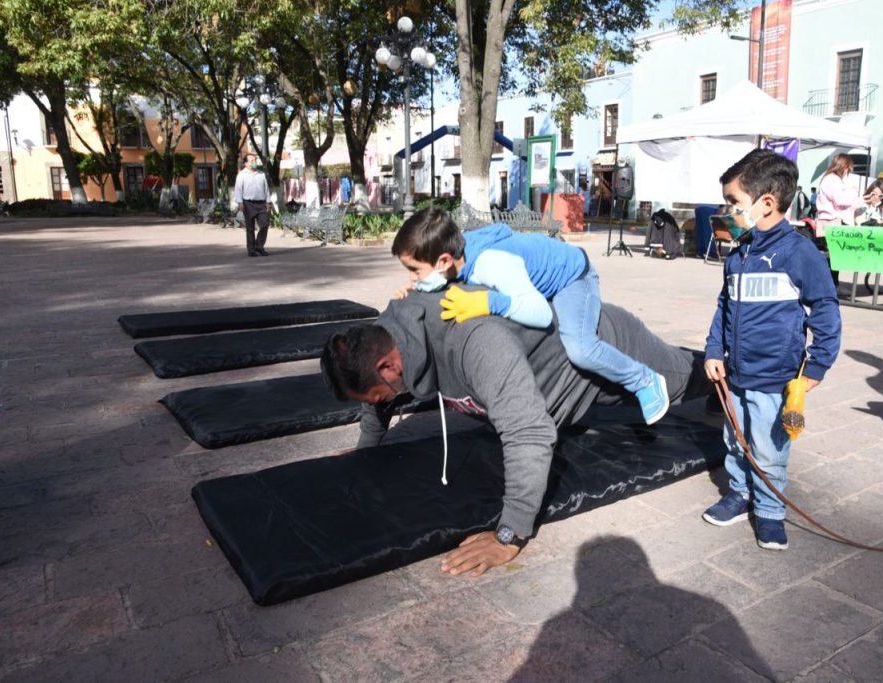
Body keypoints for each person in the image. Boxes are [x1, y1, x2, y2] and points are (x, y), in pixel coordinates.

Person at [320, 291, 713, 577]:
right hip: (554, 380)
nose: (380, 402)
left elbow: (530, 433)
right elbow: (375, 401)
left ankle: (740, 368)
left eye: (380, 391)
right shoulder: (388, 338)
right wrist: (364, 451)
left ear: (389, 366)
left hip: (611, 346)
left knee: (692, 378)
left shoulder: (474, 343)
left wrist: (508, 535)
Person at [390, 208, 670, 426]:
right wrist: (413, 289)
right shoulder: (454, 254)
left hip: (573, 276)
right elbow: (437, 283)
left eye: (415, 271)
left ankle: (644, 380)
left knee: (581, 348)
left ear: (444, 261)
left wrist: (489, 301)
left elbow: (540, 313)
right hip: (537, 274)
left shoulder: (492, 263)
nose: (413, 277)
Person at [702, 149, 842, 551]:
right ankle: (739, 493)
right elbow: (724, 305)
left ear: (767, 203)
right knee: (735, 440)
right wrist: (714, 350)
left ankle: (768, 510)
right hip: (734, 374)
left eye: (733, 202)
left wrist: (817, 365)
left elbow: (826, 311)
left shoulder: (800, 254)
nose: (726, 210)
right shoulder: (737, 254)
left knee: (769, 447)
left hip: (775, 377)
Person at [233, 154, 271, 257]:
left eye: (255, 160)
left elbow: (266, 189)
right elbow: (238, 190)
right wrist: (240, 202)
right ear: (246, 163)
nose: (254, 162)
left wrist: (268, 202)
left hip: (261, 203)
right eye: (252, 160)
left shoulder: (261, 174)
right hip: (248, 203)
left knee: (265, 224)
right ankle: (251, 250)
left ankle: (259, 246)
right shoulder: (241, 175)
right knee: (250, 228)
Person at [815, 153, 861, 236]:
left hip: (830, 222)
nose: (847, 172)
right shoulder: (832, 179)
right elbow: (840, 200)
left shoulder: (831, 179)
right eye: (848, 169)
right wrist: (853, 192)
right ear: (845, 167)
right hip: (834, 222)